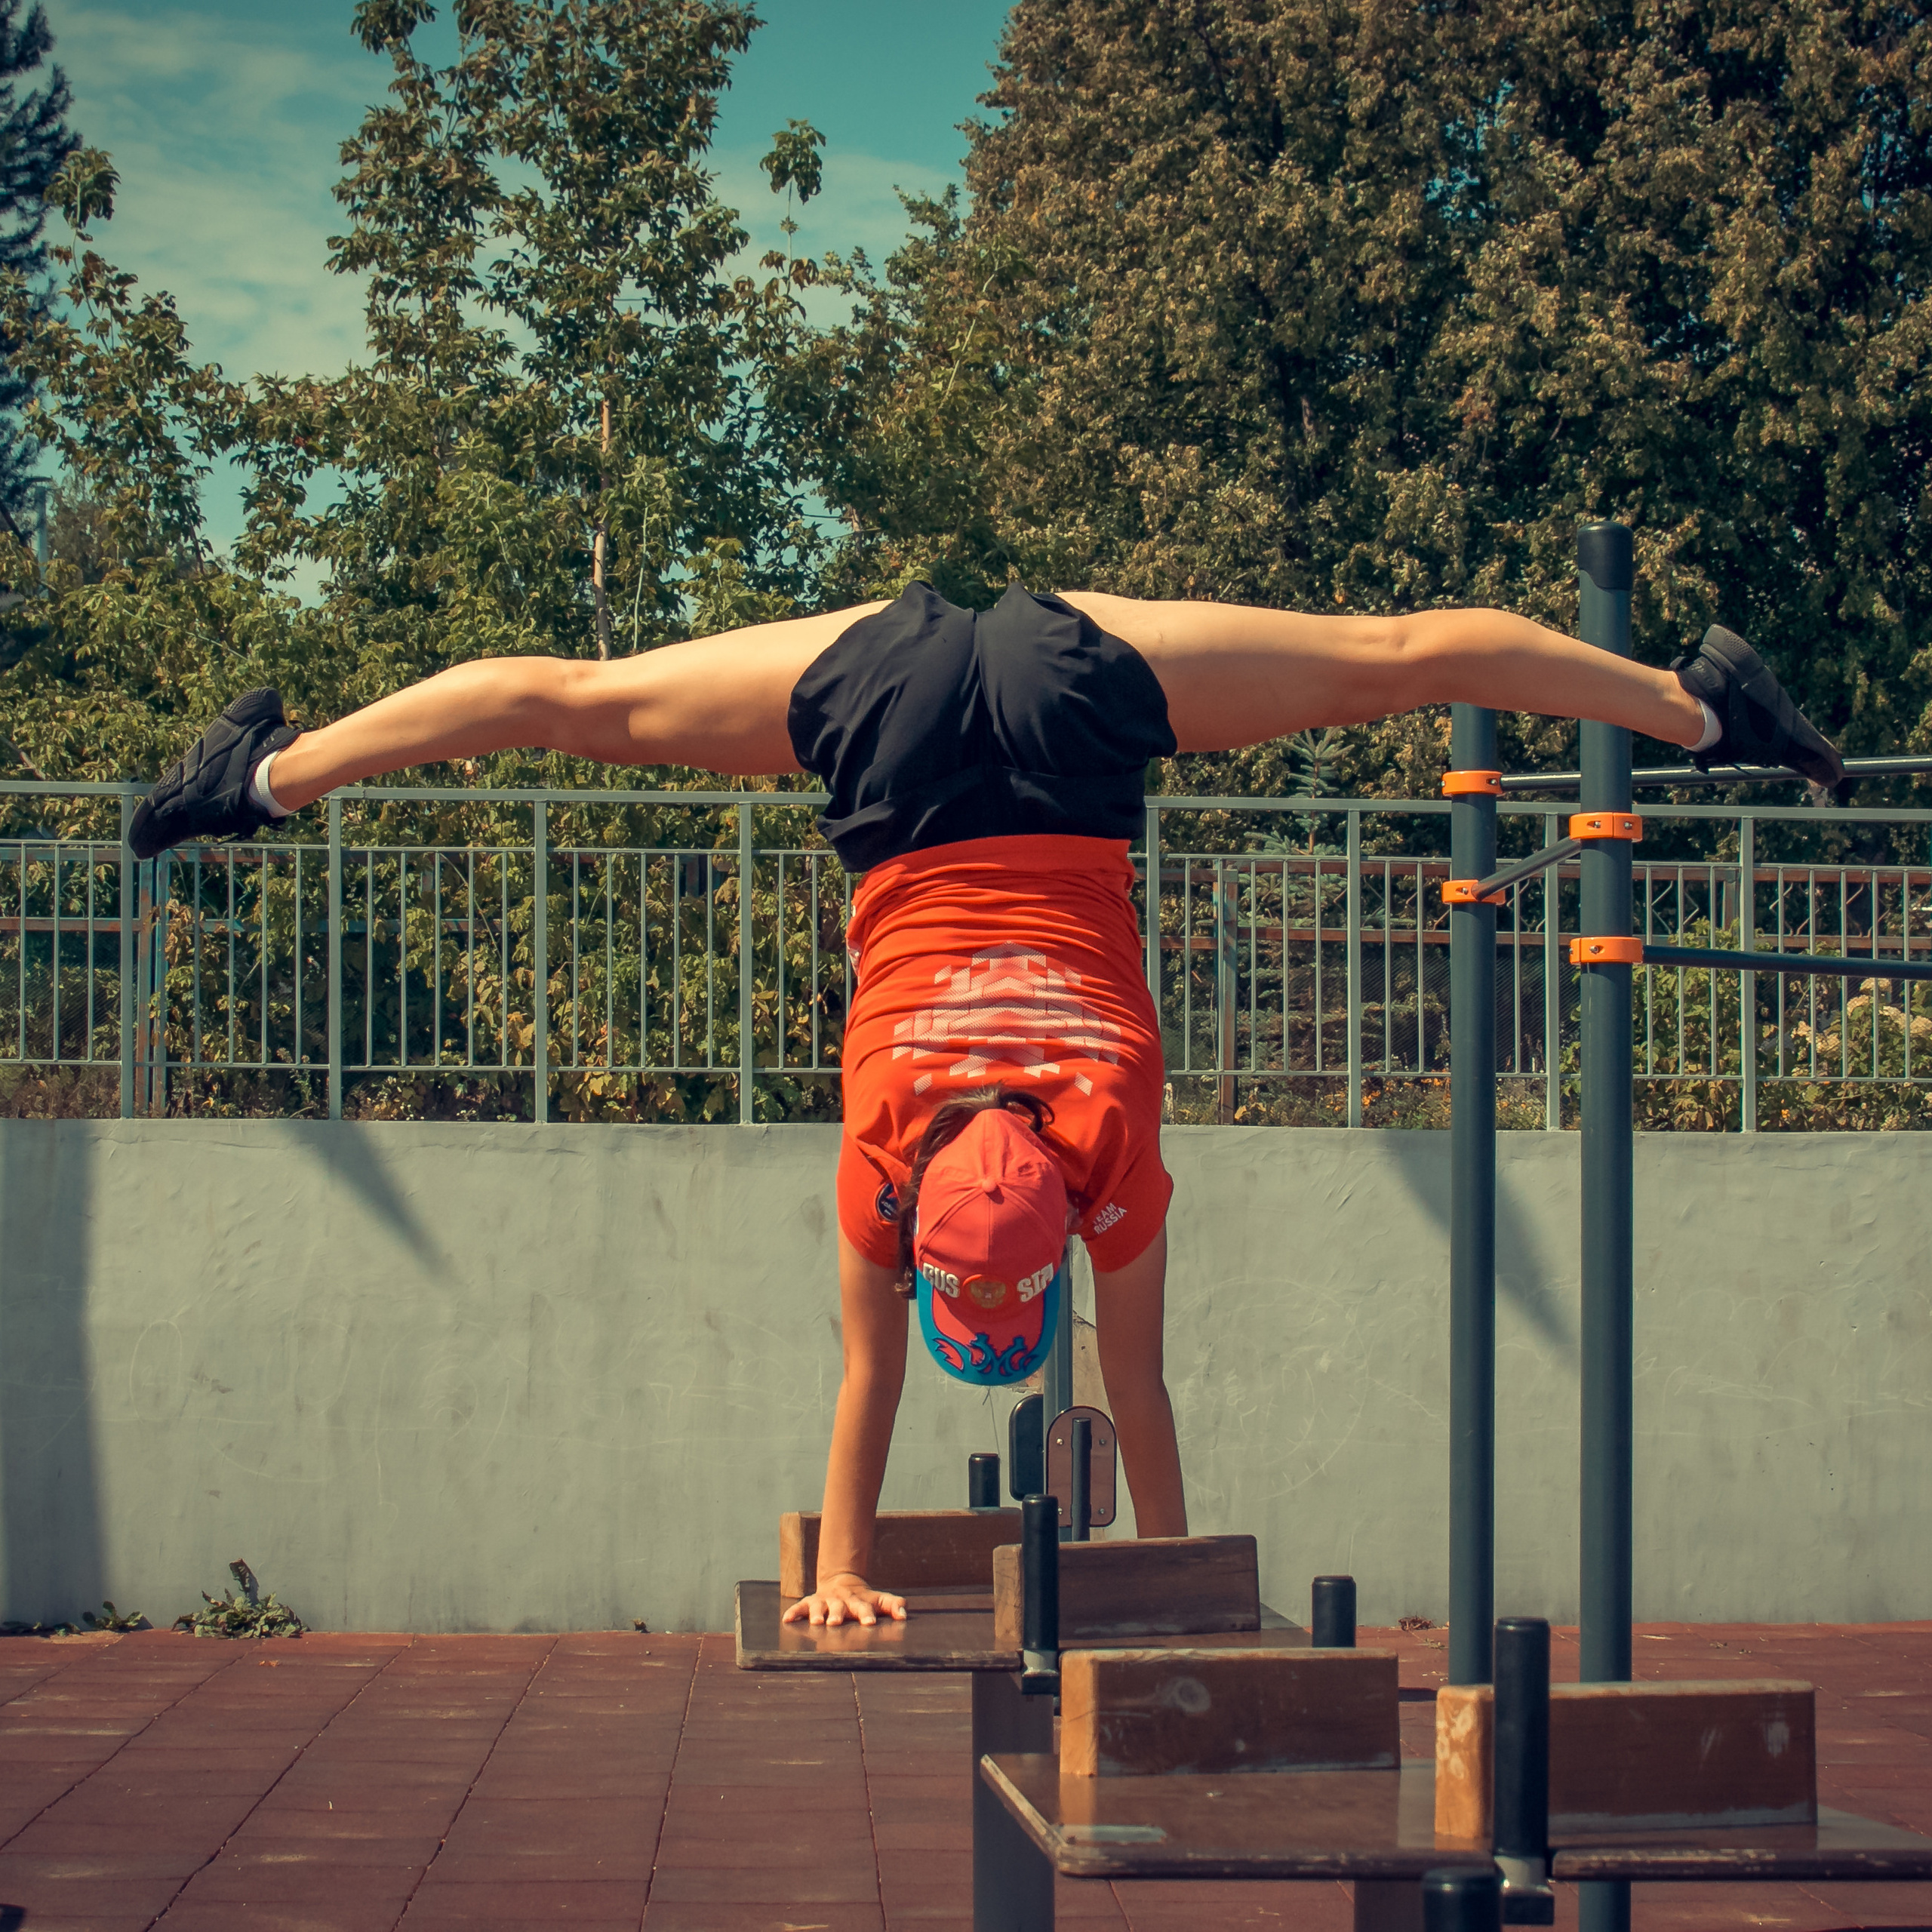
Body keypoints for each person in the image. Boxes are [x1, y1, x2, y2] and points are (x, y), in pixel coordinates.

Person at [128, 583, 1841, 1625]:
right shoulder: (885, 1174)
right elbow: (876, 1382)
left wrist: (1158, 1567)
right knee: (586, 705)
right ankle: (256, 783)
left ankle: (1704, 717)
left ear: (998, 1271)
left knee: (1379, 659)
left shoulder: (1100, 1150)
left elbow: (1139, 1391)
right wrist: (853, 1561)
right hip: (883, 730)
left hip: (1061, 709)